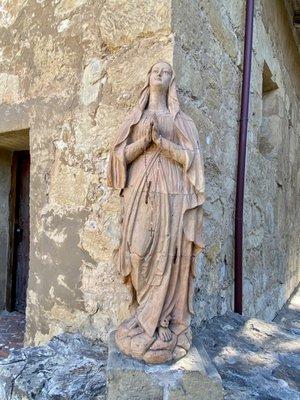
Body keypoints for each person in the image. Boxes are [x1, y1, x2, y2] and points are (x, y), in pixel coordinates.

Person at [107, 61, 205, 363]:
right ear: (147, 78)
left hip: (173, 194)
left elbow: (193, 160)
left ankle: (162, 321)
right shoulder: (134, 118)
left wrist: (163, 144)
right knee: (137, 252)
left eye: (165, 71)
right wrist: (144, 142)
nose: (159, 74)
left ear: (171, 80)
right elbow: (116, 160)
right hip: (139, 193)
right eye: (154, 70)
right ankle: (141, 316)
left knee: (169, 255)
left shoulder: (183, 121)